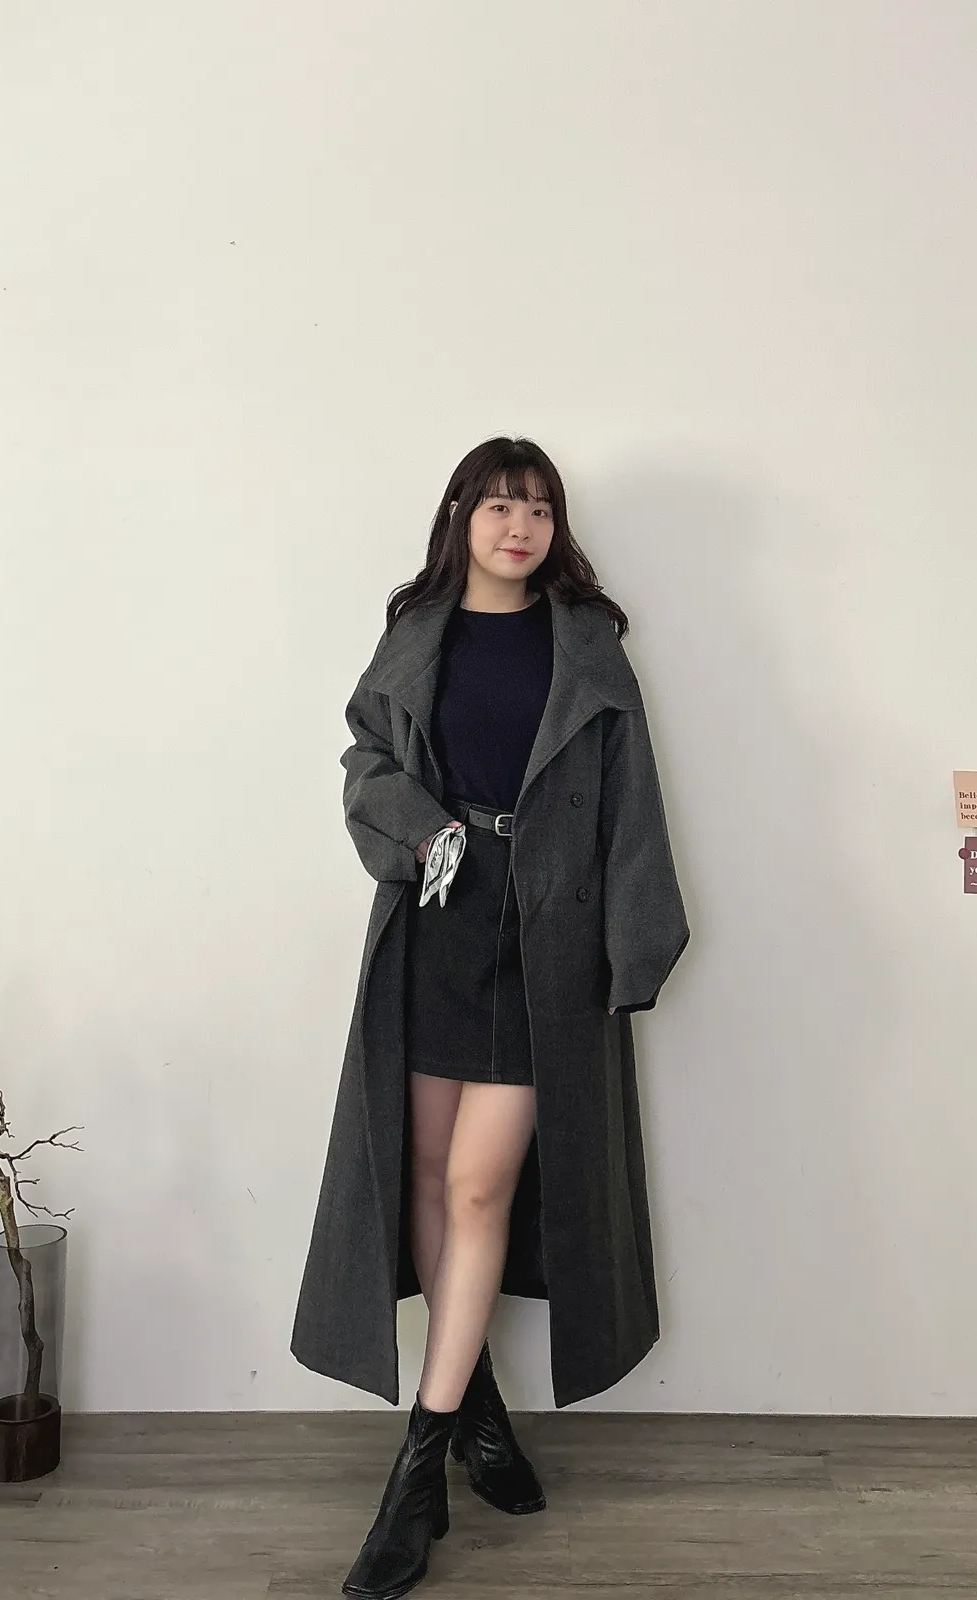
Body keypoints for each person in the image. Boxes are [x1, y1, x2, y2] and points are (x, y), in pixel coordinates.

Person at [291, 436, 690, 1600]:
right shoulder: (417, 631)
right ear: (461, 514)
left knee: (477, 1188)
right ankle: (478, 1410)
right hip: (435, 920)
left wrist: (636, 942)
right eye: (500, 504)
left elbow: (632, 798)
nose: (520, 526)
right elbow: (365, 760)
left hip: (547, 936)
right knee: (421, 1174)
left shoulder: (587, 644)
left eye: (540, 507)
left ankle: (416, 1477)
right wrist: (425, 829)